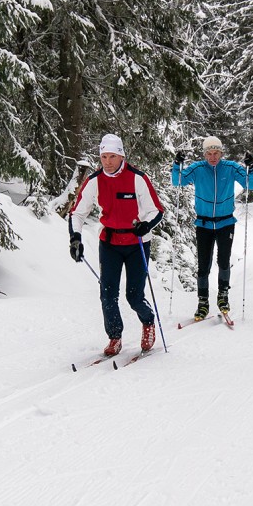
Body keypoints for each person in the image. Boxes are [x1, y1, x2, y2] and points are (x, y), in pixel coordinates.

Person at [68, 134, 165, 356]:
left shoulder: (137, 178)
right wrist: (75, 237)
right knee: (107, 293)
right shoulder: (94, 181)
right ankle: (114, 337)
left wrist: (145, 225)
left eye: (113, 156)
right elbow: (77, 213)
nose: (108, 161)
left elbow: (157, 210)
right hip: (110, 242)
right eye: (104, 156)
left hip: (137, 242)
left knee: (134, 295)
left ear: (121, 156)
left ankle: (148, 322)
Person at [169, 136, 253, 321]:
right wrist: (178, 164)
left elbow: (251, 184)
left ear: (221, 152)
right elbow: (178, 181)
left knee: (223, 261)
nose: (213, 157)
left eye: (216, 152)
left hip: (226, 223)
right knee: (203, 265)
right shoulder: (199, 168)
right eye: (209, 153)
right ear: (205, 154)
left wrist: (251, 167)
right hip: (204, 224)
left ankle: (223, 297)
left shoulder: (231, 167)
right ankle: (203, 302)